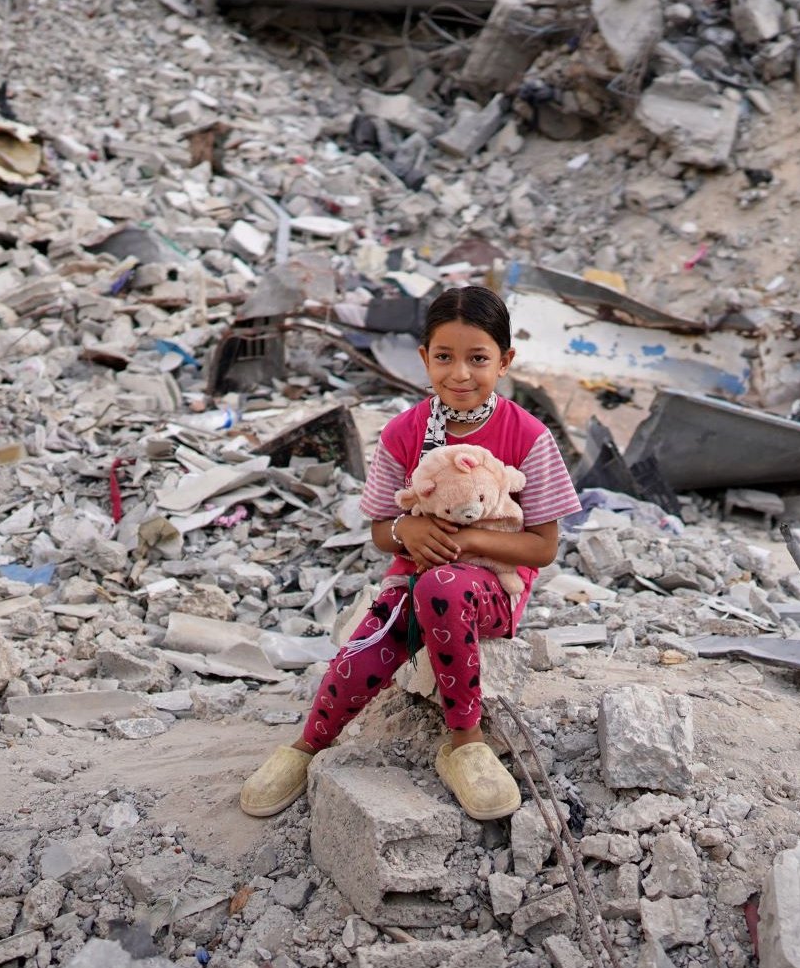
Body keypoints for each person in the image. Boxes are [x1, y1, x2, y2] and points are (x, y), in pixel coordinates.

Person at [239, 285, 580, 820]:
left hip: (490, 589)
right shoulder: (405, 432)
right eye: (444, 357)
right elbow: (380, 528)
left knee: (444, 586)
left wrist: (465, 542)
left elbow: (542, 546)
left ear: (505, 362)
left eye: (478, 359)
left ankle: (464, 744)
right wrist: (406, 530)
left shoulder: (528, 437)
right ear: (424, 358)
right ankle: (307, 745)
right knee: (370, 642)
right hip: (415, 578)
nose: (460, 374)